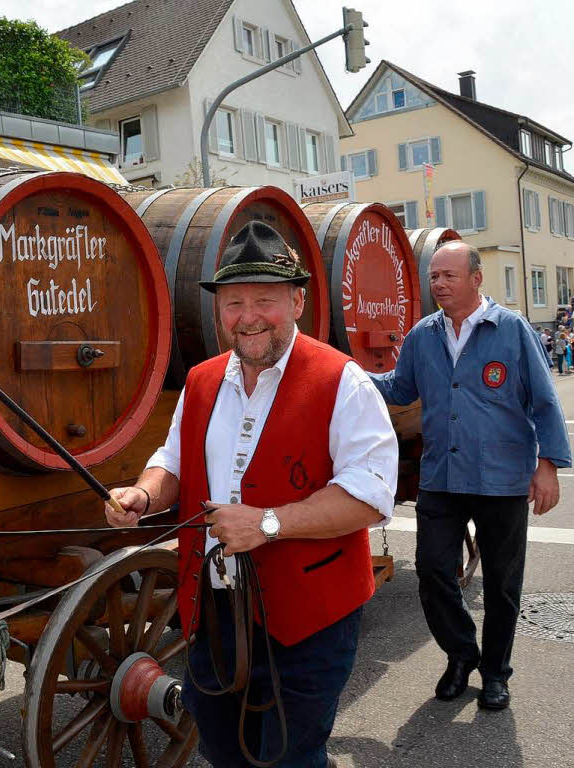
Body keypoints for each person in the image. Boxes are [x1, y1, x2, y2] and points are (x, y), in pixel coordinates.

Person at [105, 222, 398, 767]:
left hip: (309, 618)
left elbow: (371, 495)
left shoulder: (343, 381)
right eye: (234, 302)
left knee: (289, 757)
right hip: (215, 611)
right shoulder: (201, 379)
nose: (248, 316)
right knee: (222, 749)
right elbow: (173, 461)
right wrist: (144, 495)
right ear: (219, 311)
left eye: (265, 299)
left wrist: (266, 523)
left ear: (298, 302)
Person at [370, 242, 569, 711]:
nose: (438, 284)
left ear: (476, 278)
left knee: (502, 584)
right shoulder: (423, 335)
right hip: (441, 476)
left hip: (502, 478)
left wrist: (548, 467)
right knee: (433, 571)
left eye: (449, 276)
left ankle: (496, 673)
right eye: (434, 276)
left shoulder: (512, 329)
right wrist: (347, 375)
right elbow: (400, 387)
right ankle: (461, 655)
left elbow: (544, 401)